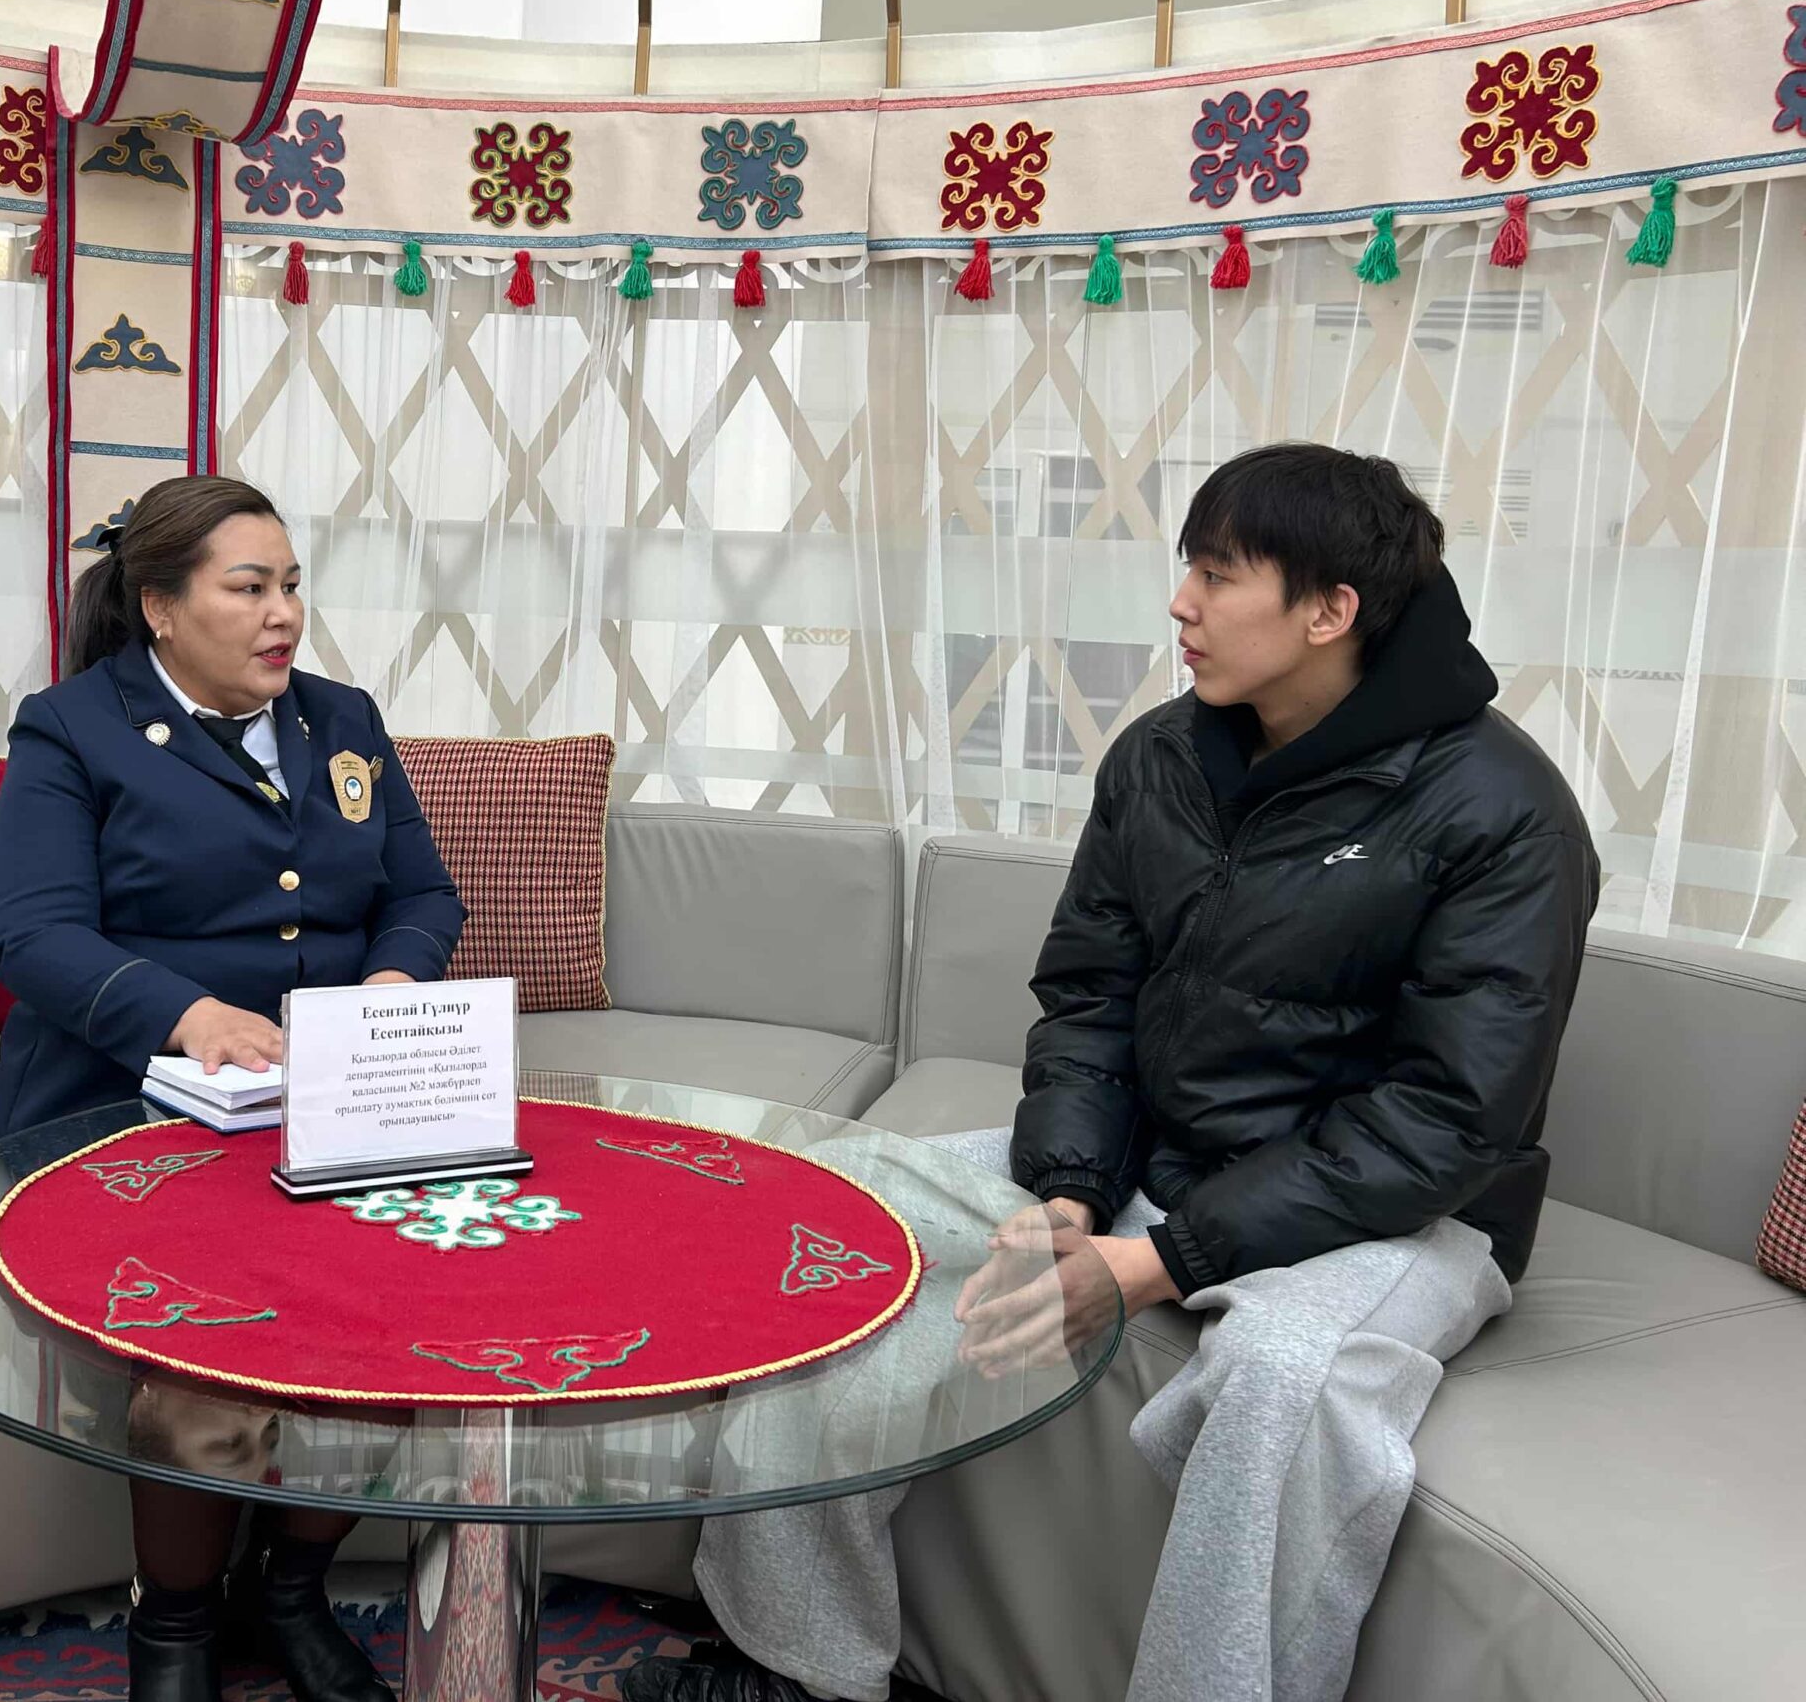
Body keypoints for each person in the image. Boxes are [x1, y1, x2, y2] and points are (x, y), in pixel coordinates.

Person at [627, 444, 1598, 1702]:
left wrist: (1155, 1262)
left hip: (1401, 1218)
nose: (1180, 604)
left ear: (1329, 609)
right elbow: (1091, 994)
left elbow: (1444, 1121)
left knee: (1281, 1382)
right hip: (1157, 1160)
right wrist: (1073, 1190)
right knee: (832, 1212)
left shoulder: (1506, 810)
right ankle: (794, 1665)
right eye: (1186, 569)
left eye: (1216, 575)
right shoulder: (1160, 757)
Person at [0, 474, 465, 1702]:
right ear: (159, 605)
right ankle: (176, 1629)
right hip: (119, 1096)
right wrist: (187, 1014)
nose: (283, 613)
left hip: (321, 1097)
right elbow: (33, 934)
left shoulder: (342, 718)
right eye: (248, 587)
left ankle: (287, 1591)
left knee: (404, 1313)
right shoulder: (69, 726)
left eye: (291, 584)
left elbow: (421, 891)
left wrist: (386, 986)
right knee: (205, 1350)